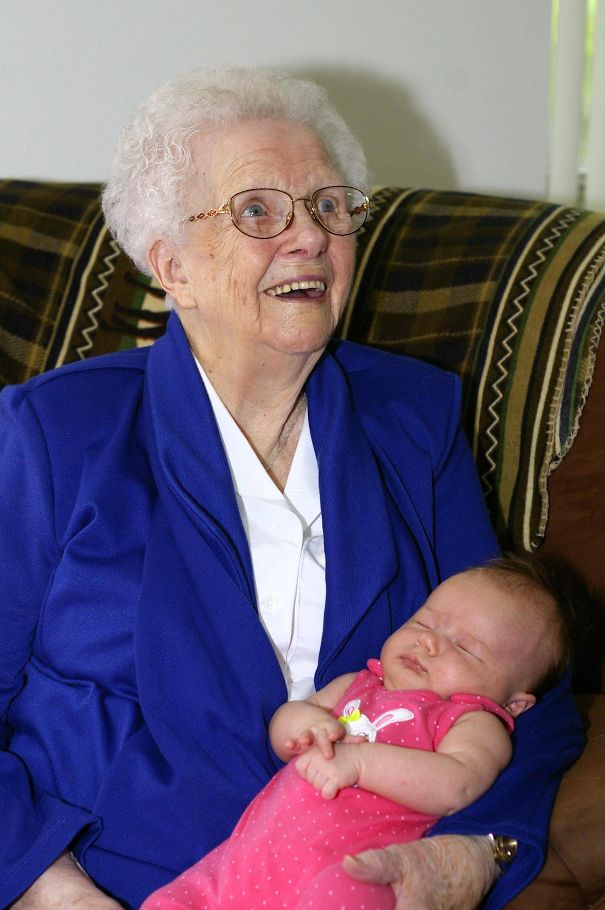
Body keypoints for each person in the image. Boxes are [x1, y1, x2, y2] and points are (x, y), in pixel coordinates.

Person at [0, 66, 583, 910]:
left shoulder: (412, 420)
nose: (309, 237)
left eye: (328, 206)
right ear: (174, 269)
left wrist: (477, 855)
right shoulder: (56, 435)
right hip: (113, 882)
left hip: (344, 884)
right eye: (257, 212)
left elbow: (526, 674)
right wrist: (48, 891)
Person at [141, 558, 573, 909]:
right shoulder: (357, 684)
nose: (428, 643)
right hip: (245, 862)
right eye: (424, 623)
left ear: (515, 703)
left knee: (351, 890)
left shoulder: (470, 720)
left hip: (338, 871)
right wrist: (300, 727)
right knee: (172, 898)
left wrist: (361, 762)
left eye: (465, 647)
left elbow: (458, 782)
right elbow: (291, 719)